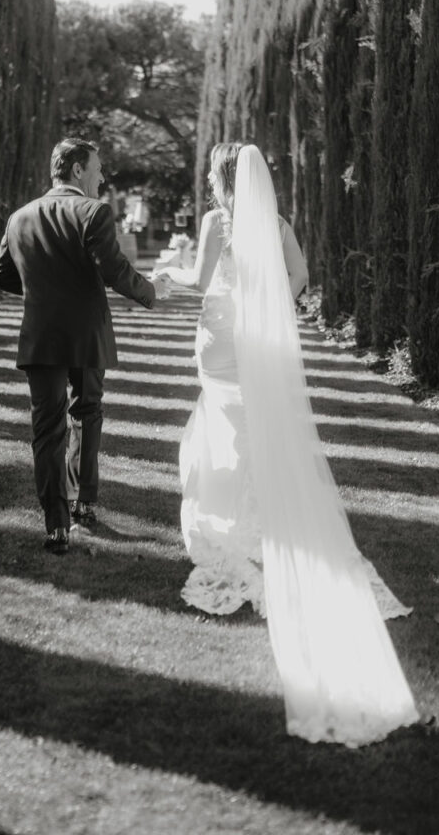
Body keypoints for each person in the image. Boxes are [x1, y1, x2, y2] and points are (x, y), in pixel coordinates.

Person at [153, 142, 419, 747]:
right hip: (261, 334)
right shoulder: (276, 223)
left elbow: (199, 283)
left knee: (223, 423)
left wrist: (167, 276)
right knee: (256, 423)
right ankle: (271, 520)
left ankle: (230, 527)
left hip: (221, 334)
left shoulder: (218, 222)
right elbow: (299, 277)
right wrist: (274, 305)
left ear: (219, 181)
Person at [0, 138, 170, 555]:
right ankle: (84, 501)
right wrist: (152, 292)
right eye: (98, 168)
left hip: (41, 333)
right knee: (87, 412)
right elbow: (114, 269)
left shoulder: (19, 217)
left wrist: (44, 293)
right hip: (86, 333)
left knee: (46, 429)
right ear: (77, 171)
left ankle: (56, 525)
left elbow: (2, 277)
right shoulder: (93, 212)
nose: (102, 176)